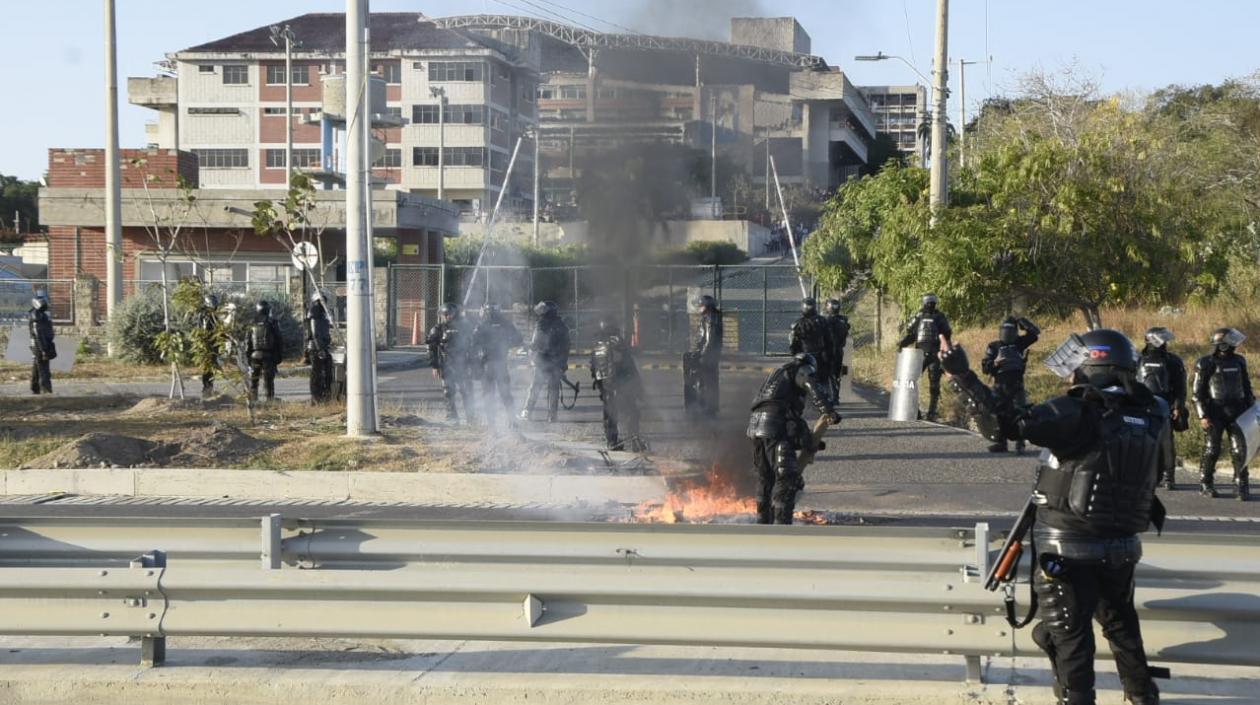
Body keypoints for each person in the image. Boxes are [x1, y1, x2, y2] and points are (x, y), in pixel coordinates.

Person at [941, 329, 1166, 705]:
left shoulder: (1078, 410)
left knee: (1069, 636)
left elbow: (1006, 423)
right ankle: (1143, 697)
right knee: (1122, 626)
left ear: (1095, 364)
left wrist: (963, 375)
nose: (1069, 374)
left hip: (1066, 546)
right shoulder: (1151, 411)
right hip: (1122, 545)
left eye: (1076, 365)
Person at [746, 352, 842, 525]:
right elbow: (813, 387)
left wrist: (808, 442)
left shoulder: (777, 374)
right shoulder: (802, 369)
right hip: (775, 427)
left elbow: (792, 424)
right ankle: (782, 525)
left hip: (755, 428)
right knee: (787, 479)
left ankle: (762, 524)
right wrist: (828, 410)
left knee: (765, 478)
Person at [1192, 327, 1253, 500]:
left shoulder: (1240, 361)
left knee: (1240, 449)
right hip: (1215, 412)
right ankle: (1206, 483)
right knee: (1212, 449)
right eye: (1231, 341)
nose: (1235, 344)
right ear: (1222, 344)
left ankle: (1241, 485)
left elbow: (1247, 387)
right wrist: (1202, 415)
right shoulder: (1205, 363)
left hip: (1239, 411)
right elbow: (1197, 393)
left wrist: (1252, 409)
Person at [979, 316, 1040, 454]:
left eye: (1011, 331)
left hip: (1017, 384)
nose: (1007, 334)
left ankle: (1020, 444)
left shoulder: (1020, 343)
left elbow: (1035, 333)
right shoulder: (993, 346)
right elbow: (985, 367)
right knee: (998, 414)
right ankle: (1001, 442)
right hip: (1000, 385)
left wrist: (1021, 321)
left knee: (1020, 413)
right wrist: (995, 363)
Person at [1137, 327, 1189, 490]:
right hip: (1140, 406)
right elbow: (1130, 383)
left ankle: (1169, 476)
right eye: (1162, 340)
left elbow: (1180, 387)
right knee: (1141, 442)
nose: (1165, 343)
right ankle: (1147, 475)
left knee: (1166, 442)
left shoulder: (1173, 360)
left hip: (1165, 405)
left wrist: (1177, 406)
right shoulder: (1137, 359)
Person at [590, 317, 645, 452]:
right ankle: (634, 442)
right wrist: (638, 387)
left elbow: (593, 368)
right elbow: (628, 365)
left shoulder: (597, 345)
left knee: (610, 415)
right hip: (622, 385)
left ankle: (612, 442)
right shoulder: (617, 342)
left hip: (606, 387)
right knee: (631, 413)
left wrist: (601, 386)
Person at [897, 293, 953, 420]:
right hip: (928, 354)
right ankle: (926, 411)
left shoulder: (922, 316)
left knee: (920, 382)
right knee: (924, 383)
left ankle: (924, 411)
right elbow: (947, 334)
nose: (931, 305)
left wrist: (902, 344)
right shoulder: (937, 316)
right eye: (930, 302)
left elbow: (911, 333)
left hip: (924, 354)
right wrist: (902, 344)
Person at [519, 301, 570, 423]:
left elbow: (536, 343)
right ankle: (552, 416)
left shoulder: (541, 324)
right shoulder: (562, 325)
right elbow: (566, 346)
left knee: (535, 388)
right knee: (553, 390)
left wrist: (526, 346)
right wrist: (563, 364)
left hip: (543, 362)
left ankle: (527, 412)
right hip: (556, 362)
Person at [473, 303, 523, 424]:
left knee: (488, 394)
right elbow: (518, 339)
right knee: (505, 393)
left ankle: (492, 422)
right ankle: (512, 421)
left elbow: (473, 343)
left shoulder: (481, 324)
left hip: (487, 364)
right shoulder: (506, 323)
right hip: (500, 363)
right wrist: (506, 345)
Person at [427, 303, 476, 422]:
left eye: (449, 314)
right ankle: (452, 417)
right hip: (446, 365)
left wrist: (474, 364)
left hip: (463, 365)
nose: (447, 316)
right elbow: (431, 348)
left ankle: (471, 418)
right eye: (445, 314)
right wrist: (434, 365)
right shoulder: (438, 329)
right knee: (449, 392)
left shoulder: (465, 327)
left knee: (467, 392)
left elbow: (473, 345)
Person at [789, 297, 834, 402]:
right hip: (821, 354)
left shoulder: (797, 324)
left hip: (805, 355)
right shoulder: (822, 321)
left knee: (804, 378)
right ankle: (826, 400)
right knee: (823, 379)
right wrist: (830, 355)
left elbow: (792, 344)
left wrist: (795, 355)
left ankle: (804, 400)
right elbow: (830, 341)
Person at [685, 294, 723, 417]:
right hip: (710, 354)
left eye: (701, 305)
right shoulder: (710, 316)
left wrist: (703, 355)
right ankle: (708, 406)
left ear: (707, 306)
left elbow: (710, 339)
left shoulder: (711, 317)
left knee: (706, 381)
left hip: (709, 355)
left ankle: (707, 407)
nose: (699, 308)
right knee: (708, 381)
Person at [246, 300, 284, 403]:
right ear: (267, 309)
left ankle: (253, 400)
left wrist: (247, 357)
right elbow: (278, 339)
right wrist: (279, 355)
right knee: (269, 380)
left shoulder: (252, 322)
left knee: (254, 379)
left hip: (254, 355)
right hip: (268, 355)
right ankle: (269, 399)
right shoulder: (272, 322)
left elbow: (247, 341)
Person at [304, 291, 334, 404]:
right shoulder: (315, 311)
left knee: (327, 371)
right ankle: (316, 397)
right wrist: (319, 348)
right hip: (317, 348)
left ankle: (325, 395)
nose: (325, 302)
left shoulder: (323, 313)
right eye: (323, 300)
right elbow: (315, 332)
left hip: (323, 346)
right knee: (316, 373)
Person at [28, 293, 55, 395]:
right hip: (39, 345)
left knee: (37, 367)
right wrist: (43, 349)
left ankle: (35, 388)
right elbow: (38, 334)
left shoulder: (42, 315)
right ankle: (46, 390)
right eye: (44, 303)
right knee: (44, 369)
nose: (46, 304)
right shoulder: (36, 315)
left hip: (42, 344)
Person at [824, 298, 851, 395]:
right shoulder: (843, 319)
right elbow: (847, 329)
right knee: (837, 372)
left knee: (828, 371)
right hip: (840, 349)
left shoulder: (827, 320)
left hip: (829, 350)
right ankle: (835, 394)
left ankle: (829, 394)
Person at [197, 294, 220, 397]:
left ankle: (208, 389)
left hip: (212, 346)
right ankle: (207, 390)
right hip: (208, 346)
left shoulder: (212, 315)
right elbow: (205, 332)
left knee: (211, 369)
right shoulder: (205, 316)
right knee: (208, 369)